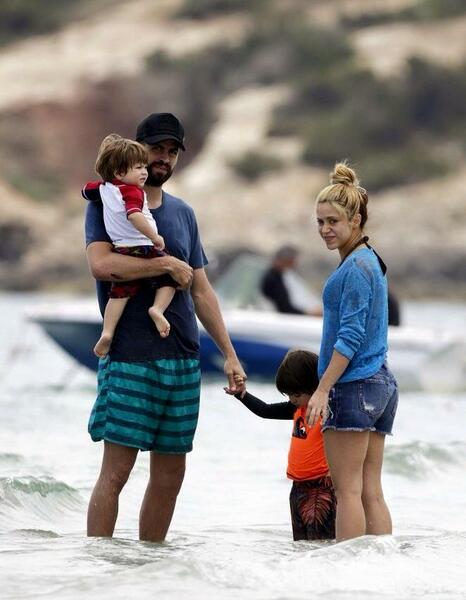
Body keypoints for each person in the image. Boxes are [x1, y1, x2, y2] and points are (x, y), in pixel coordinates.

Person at [84, 112, 246, 542]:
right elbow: (101, 264)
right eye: (157, 149)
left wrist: (230, 355)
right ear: (137, 150)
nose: (165, 158)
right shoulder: (106, 202)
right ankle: (96, 565)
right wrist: (165, 265)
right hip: (129, 355)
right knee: (116, 472)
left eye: (173, 151)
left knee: (171, 474)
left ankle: (152, 567)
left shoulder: (183, 214)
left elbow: (202, 291)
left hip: (182, 359)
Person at [305, 161, 398, 543]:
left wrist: (322, 389)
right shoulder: (369, 259)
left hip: (355, 383)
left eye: (333, 221)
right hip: (380, 383)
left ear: (356, 220)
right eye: (320, 222)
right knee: (370, 490)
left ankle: (348, 571)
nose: (325, 229)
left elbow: (350, 337)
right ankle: (377, 567)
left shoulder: (357, 266)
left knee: (347, 492)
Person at [83, 134, 177, 358]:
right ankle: (157, 309)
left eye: (144, 166)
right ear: (119, 173)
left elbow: (85, 191)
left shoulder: (104, 189)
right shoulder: (133, 191)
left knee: (119, 293)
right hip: (143, 245)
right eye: (138, 167)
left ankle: (107, 332)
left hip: (121, 249)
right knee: (171, 275)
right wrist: (155, 237)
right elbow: (134, 215)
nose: (145, 172)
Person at [226, 349, 336, 541]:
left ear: (314, 386)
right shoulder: (296, 409)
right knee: (301, 545)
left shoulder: (328, 411)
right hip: (298, 487)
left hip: (322, 487)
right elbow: (265, 410)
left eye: (296, 394)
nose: (292, 399)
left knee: (320, 543)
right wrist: (241, 394)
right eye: (288, 394)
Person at [260, 245, 321, 316]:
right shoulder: (273, 280)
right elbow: (285, 308)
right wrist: (309, 313)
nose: (295, 265)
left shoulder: (282, 275)